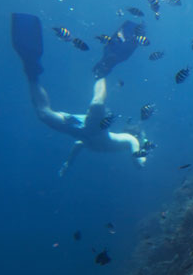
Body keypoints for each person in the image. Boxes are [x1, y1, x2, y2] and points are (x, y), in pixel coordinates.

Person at [10, 13, 147, 176]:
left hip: (80, 129)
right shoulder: (125, 140)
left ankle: (31, 71)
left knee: (43, 114)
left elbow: (78, 145)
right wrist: (141, 159)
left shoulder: (115, 141)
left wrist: (68, 162)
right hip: (95, 128)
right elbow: (137, 156)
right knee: (96, 103)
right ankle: (104, 68)